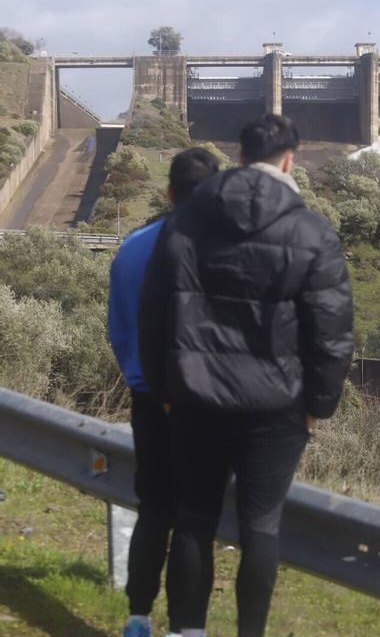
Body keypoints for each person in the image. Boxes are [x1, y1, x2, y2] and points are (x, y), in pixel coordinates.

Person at [139, 114, 354, 637]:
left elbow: (153, 313)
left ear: (238, 157)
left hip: (195, 398)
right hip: (277, 407)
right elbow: (331, 331)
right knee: (261, 528)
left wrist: (165, 392)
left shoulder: (184, 221)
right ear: (290, 159)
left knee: (193, 521)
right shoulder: (311, 230)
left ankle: (187, 632)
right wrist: (317, 406)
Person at [109, 147, 221, 637]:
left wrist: (140, 378)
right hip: (205, 403)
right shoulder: (223, 251)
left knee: (154, 508)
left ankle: (138, 618)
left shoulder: (132, 248)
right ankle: (188, 628)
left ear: (169, 192)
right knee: (195, 519)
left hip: (147, 398)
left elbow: (118, 330)